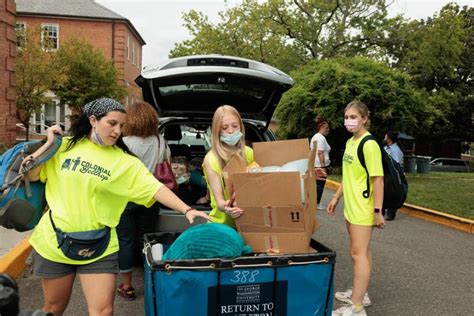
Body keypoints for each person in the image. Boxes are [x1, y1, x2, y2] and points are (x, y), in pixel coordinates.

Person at [24, 98, 210, 316]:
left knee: (103, 311)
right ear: (93, 120)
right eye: (112, 124)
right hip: (54, 241)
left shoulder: (125, 162)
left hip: (100, 246)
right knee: (53, 308)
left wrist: (186, 209)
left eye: (122, 126)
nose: (117, 131)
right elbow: (28, 172)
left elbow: (153, 188)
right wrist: (48, 144)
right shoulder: (63, 148)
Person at [327, 100, 384, 316]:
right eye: (346, 117)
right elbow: (349, 175)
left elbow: (377, 180)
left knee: (357, 253)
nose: (348, 121)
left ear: (364, 119)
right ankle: (362, 292)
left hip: (363, 208)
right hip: (351, 206)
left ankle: (357, 307)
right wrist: (336, 197)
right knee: (362, 251)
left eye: (353, 117)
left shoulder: (369, 144)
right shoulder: (351, 141)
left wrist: (377, 212)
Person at [115, 101, 170, 301]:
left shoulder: (123, 142)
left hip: (125, 198)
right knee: (146, 238)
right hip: (151, 197)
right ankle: (151, 279)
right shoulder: (160, 141)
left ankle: (127, 286)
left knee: (125, 240)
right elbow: (166, 164)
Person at [202, 105, 255, 227]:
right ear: (217, 130)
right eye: (224, 128)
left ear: (241, 127)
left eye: (235, 126)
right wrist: (227, 208)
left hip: (248, 223)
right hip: (221, 225)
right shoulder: (211, 160)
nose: (231, 131)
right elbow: (219, 202)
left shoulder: (249, 153)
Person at [310, 117, 331, 210]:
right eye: (326, 128)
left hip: (315, 164)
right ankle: (317, 204)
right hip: (320, 165)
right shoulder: (321, 138)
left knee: (316, 184)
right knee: (320, 185)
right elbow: (320, 152)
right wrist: (323, 167)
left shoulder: (315, 136)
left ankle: (313, 202)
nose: (328, 129)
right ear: (321, 127)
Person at [383, 131, 404, 221]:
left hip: (394, 175)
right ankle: (381, 210)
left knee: (393, 192)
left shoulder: (396, 150)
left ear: (389, 139)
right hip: (385, 173)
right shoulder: (385, 148)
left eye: (385, 137)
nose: (384, 139)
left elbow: (396, 165)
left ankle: (391, 213)